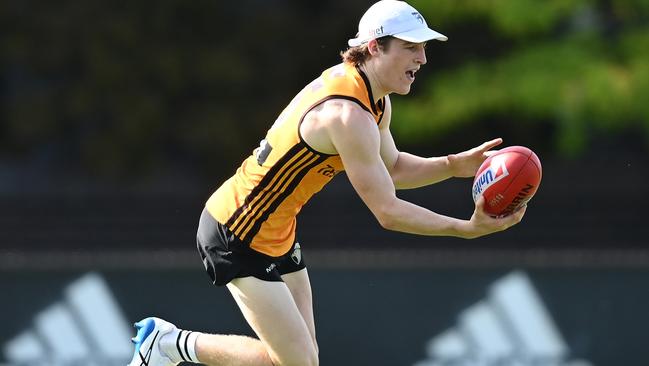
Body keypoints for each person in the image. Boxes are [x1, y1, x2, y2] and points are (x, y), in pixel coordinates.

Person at [128, 1, 526, 365]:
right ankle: (166, 343)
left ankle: (167, 345)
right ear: (374, 48)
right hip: (238, 231)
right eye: (410, 47)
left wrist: (457, 164)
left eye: (423, 48)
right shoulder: (347, 115)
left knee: (301, 361)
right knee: (296, 364)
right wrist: (466, 229)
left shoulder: (373, 97)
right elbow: (386, 212)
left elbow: (395, 168)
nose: (422, 58)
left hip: (276, 230)